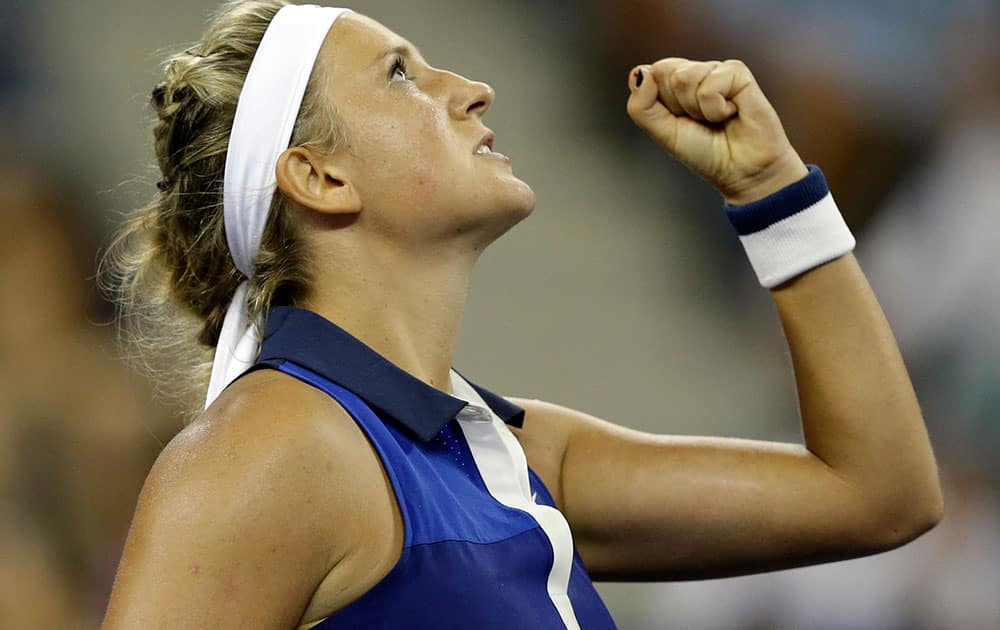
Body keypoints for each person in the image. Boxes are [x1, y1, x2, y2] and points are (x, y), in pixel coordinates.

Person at [100, 2, 943, 628]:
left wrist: (772, 193)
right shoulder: (265, 452)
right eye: (401, 74)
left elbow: (880, 494)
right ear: (319, 178)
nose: (472, 90)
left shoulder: (512, 453)